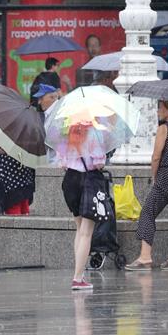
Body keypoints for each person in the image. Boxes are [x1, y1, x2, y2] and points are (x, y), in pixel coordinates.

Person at [125, 100, 168, 271]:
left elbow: (156, 156)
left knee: (148, 212)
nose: (158, 111)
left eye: (161, 107)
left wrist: (155, 177)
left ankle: (145, 257)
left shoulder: (164, 128)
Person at [60, 122, 107, 291]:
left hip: (70, 180)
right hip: (88, 180)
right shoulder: (95, 132)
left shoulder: (68, 131)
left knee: (79, 229)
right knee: (87, 232)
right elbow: (99, 163)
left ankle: (78, 273)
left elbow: (62, 162)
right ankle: (78, 278)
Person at [0, 136, 35, 215]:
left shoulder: (5, 127)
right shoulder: (25, 129)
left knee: (14, 206)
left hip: (9, 172)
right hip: (21, 170)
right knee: (22, 205)